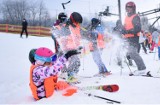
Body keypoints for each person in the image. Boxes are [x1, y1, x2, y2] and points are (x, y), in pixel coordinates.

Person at [52, 12, 83, 83]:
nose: (78, 24)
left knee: (76, 61)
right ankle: (68, 75)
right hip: (63, 47)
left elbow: (78, 36)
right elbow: (56, 33)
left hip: (73, 47)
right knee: (63, 59)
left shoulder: (77, 27)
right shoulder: (63, 26)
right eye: (76, 22)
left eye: (79, 23)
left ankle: (71, 74)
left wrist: (79, 45)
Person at [121, 1, 146, 75]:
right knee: (131, 54)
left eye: (130, 7)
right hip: (128, 38)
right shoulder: (126, 17)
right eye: (127, 7)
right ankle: (140, 68)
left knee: (133, 53)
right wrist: (122, 29)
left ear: (133, 8)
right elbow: (125, 26)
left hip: (134, 37)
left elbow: (138, 28)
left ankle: (142, 68)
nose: (129, 9)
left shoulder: (135, 17)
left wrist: (128, 31)